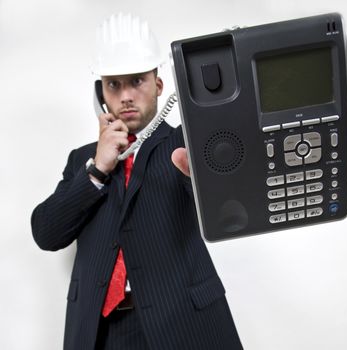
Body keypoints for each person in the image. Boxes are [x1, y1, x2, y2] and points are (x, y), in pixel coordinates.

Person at [31, 13, 243, 350]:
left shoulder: (188, 144)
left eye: (137, 81)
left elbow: (233, 203)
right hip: (101, 332)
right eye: (114, 84)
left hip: (183, 325)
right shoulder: (81, 160)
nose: (126, 95)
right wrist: (98, 169)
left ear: (158, 86)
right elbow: (46, 233)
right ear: (100, 92)